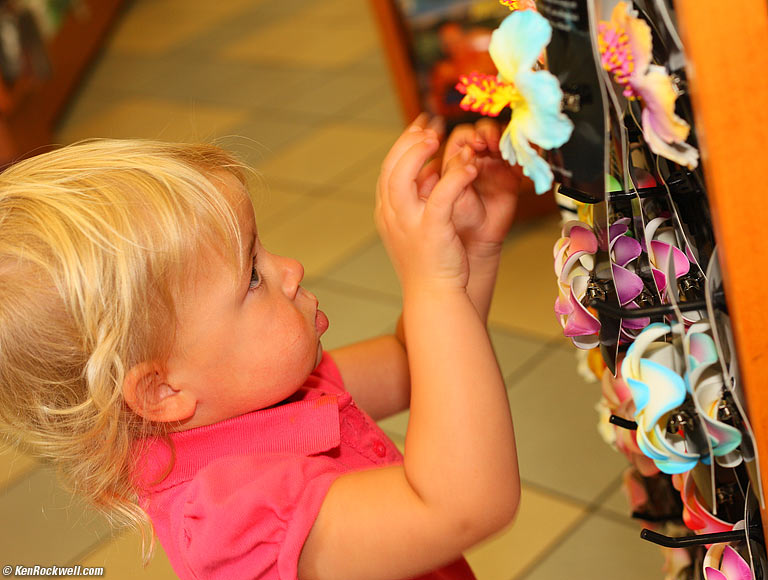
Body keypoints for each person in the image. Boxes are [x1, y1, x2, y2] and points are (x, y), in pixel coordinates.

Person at [0, 114, 523, 580]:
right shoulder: (229, 522)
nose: (291, 270)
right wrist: (431, 283)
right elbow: (463, 505)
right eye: (253, 275)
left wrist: (471, 248)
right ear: (162, 389)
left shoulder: (258, 393)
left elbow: (415, 365)